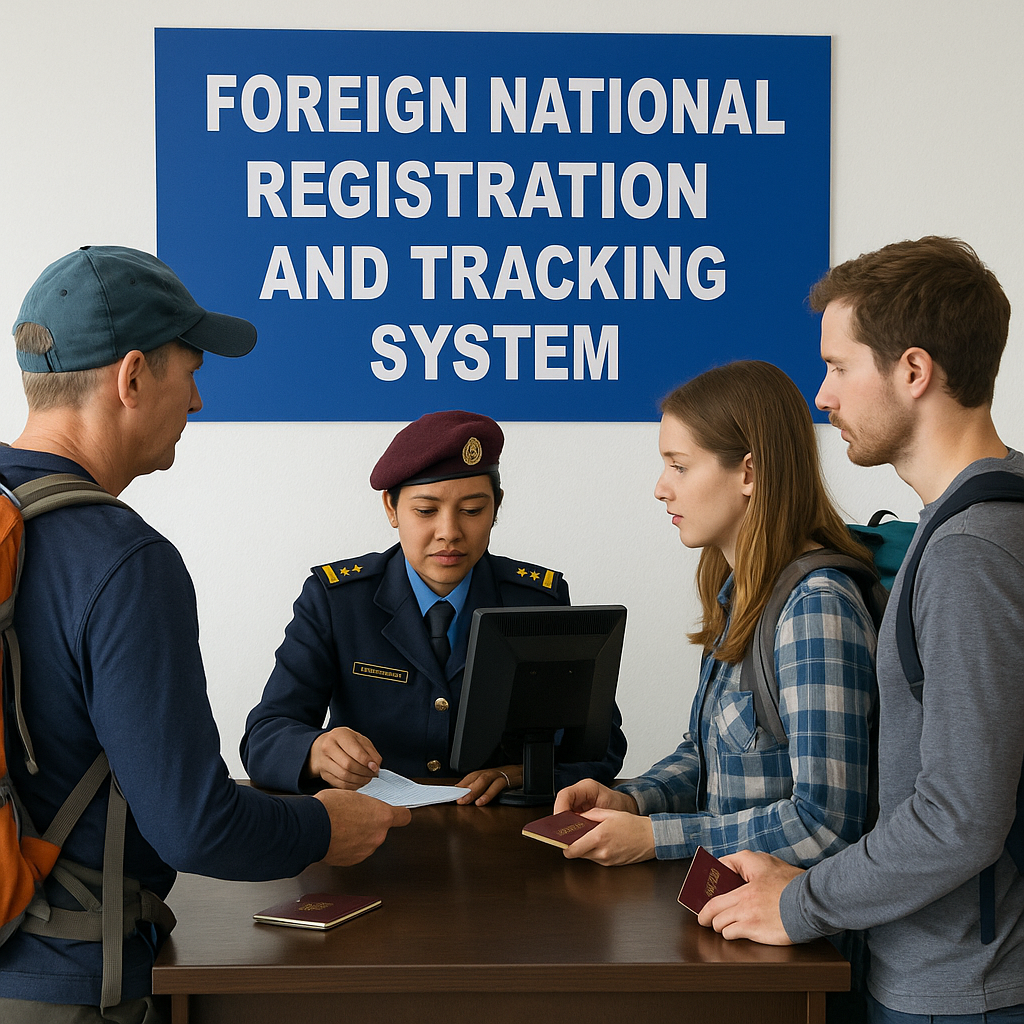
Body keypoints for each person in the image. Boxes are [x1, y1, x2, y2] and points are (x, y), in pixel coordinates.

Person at [0, 245, 410, 1024]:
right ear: (130, 378)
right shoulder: (125, 562)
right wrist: (326, 826)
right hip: (72, 984)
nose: (196, 402)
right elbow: (196, 826)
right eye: (188, 371)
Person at [699, 237, 1024, 1022]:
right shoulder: (977, 523)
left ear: (913, 372)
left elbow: (960, 816)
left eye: (839, 367)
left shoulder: (969, 550)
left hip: (959, 987)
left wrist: (800, 902)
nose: (823, 396)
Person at [554, 360, 878, 870]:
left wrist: (655, 837)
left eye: (679, 466)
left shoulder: (815, 606)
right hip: (731, 911)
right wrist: (635, 800)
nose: (661, 487)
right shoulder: (740, 592)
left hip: (800, 937)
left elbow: (826, 826)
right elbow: (711, 757)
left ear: (748, 472)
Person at [240, 409, 627, 806]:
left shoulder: (536, 600)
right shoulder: (337, 601)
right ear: (390, 508)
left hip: (500, 838)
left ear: (497, 507)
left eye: (473, 510)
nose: (449, 533)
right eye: (425, 511)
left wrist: (525, 772)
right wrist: (315, 752)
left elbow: (602, 744)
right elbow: (264, 736)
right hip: (370, 834)